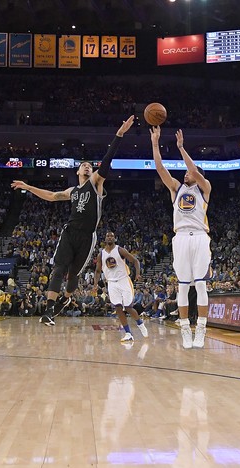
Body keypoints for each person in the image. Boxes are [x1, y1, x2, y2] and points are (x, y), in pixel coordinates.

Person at [11, 115, 135, 326]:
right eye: (83, 165)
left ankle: (66, 299)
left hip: (88, 236)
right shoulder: (72, 190)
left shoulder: (96, 183)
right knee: (58, 268)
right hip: (70, 232)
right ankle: (49, 311)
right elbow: (51, 196)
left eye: (89, 165)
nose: (87, 167)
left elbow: (105, 163)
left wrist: (119, 136)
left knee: (72, 276)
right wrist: (29, 187)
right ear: (77, 171)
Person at [151, 127, 212, 349]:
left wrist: (181, 148)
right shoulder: (176, 188)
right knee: (183, 287)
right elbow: (159, 168)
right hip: (181, 237)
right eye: (186, 172)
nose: (185, 174)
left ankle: (202, 328)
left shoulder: (204, 188)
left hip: (200, 238)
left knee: (202, 285)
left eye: (189, 172)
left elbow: (193, 171)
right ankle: (185, 328)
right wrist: (155, 143)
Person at [93, 231, 148, 342]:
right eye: (108, 236)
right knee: (118, 308)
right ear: (105, 239)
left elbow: (135, 261)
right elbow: (98, 271)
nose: (109, 237)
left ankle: (140, 323)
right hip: (112, 283)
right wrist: (95, 285)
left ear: (115, 239)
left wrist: (137, 273)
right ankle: (128, 333)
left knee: (128, 307)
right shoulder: (101, 254)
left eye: (111, 236)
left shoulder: (120, 250)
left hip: (124, 280)